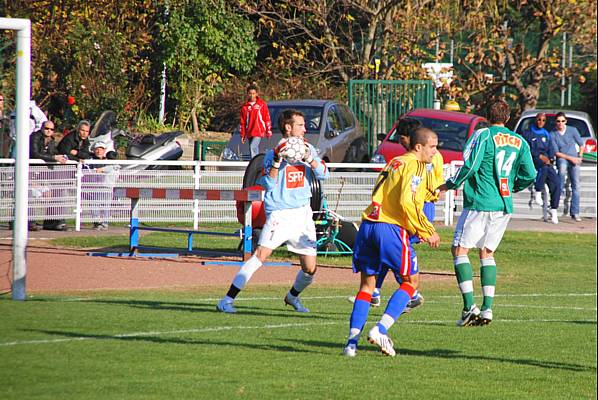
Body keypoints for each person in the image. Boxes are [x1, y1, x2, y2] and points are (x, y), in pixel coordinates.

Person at [217, 109, 330, 313]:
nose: (305, 129)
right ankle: (226, 300)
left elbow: (324, 175)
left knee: (310, 269)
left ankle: (292, 297)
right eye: (301, 125)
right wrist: (278, 162)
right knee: (260, 255)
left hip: (303, 214)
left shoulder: (308, 148)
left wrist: (309, 159)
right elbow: (267, 184)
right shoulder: (272, 154)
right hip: (280, 213)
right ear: (288, 127)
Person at [437, 99, 536, 327]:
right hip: (503, 205)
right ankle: (487, 308)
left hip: (480, 201)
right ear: (508, 118)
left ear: (486, 116)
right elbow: (530, 174)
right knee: (487, 253)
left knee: (459, 249)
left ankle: (469, 306)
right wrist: (512, 187)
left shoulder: (482, 135)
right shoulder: (519, 141)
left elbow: (470, 165)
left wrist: (449, 184)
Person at [343, 127, 441, 357]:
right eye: (433, 147)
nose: (435, 153)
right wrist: (426, 230)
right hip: (389, 229)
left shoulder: (395, 161)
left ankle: (351, 344)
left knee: (367, 286)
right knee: (411, 282)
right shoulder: (415, 166)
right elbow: (409, 202)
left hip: (368, 224)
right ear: (419, 147)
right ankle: (380, 329)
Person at [29, 120, 69, 231]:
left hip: (43, 172)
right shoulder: (35, 137)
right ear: (42, 128)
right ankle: (28, 221)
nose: (49, 131)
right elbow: (35, 153)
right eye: (46, 128)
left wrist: (60, 156)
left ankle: (51, 222)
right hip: (31, 170)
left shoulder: (51, 140)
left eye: (51, 129)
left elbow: (52, 153)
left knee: (56, 192)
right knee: (30, 194)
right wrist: (54, 158)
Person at [521, 112, 561, 224]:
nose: (541, 122)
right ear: (535, 120)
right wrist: (539, 156)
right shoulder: (528, 133)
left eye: (543, 120)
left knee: (556, 183)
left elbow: (550, 149)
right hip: (533, 160)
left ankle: (553, 209)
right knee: (543, 166)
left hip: (545, 162)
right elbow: (526, 149)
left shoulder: (546, 134)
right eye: (539, 120)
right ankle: (538, 191)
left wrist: (551, 158)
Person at [550, 112, 585, 222]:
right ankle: (555, 206)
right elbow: (556, 152)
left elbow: (581, 144)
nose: (560, 123)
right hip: (563, 157)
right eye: (558, 121)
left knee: (576, 185)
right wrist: (571, 158)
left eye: (563, 121)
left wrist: (580, 156)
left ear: (566, 121)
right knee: (561, 172)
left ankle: (575, 212)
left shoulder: (572, 130)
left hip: (574, 157)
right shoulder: (553, 134)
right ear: (555, 122)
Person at [82, 141, 115, 230]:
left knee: (106, 206)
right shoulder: (90, 160)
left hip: (107, 187)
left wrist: (102, 169)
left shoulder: (109, 160)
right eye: (97, 149)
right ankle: (97, 223)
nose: (99, 151)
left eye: (101, 149)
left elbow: (115, 167)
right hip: (94, 186)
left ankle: (104, 223)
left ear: (104, 150)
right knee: (94, 205)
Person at [239, 84, 272, 159]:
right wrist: (243, 135)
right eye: (250, 93)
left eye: (253, 93)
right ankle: (257, 162)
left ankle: (254, 164)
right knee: (253, 149)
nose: (251, 95)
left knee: (253, 147)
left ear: (256, 94)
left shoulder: (261, 104)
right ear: (247, 94)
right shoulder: (245, 107)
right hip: (249, 131)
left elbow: (266, 118)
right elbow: (243, 122)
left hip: (259, 130)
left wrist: (268, 131)